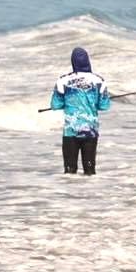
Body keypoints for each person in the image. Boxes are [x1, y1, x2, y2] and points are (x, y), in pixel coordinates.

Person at [50, 46, 110, 175]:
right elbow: (104, 106)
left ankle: (70, 194)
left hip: (70, 132)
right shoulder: (99, 80)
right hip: (91, 132)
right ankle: (90, 194)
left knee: (70, 171)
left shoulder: (62, 80)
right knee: (90, 171)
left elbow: (55, 105)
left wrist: (69, 103)